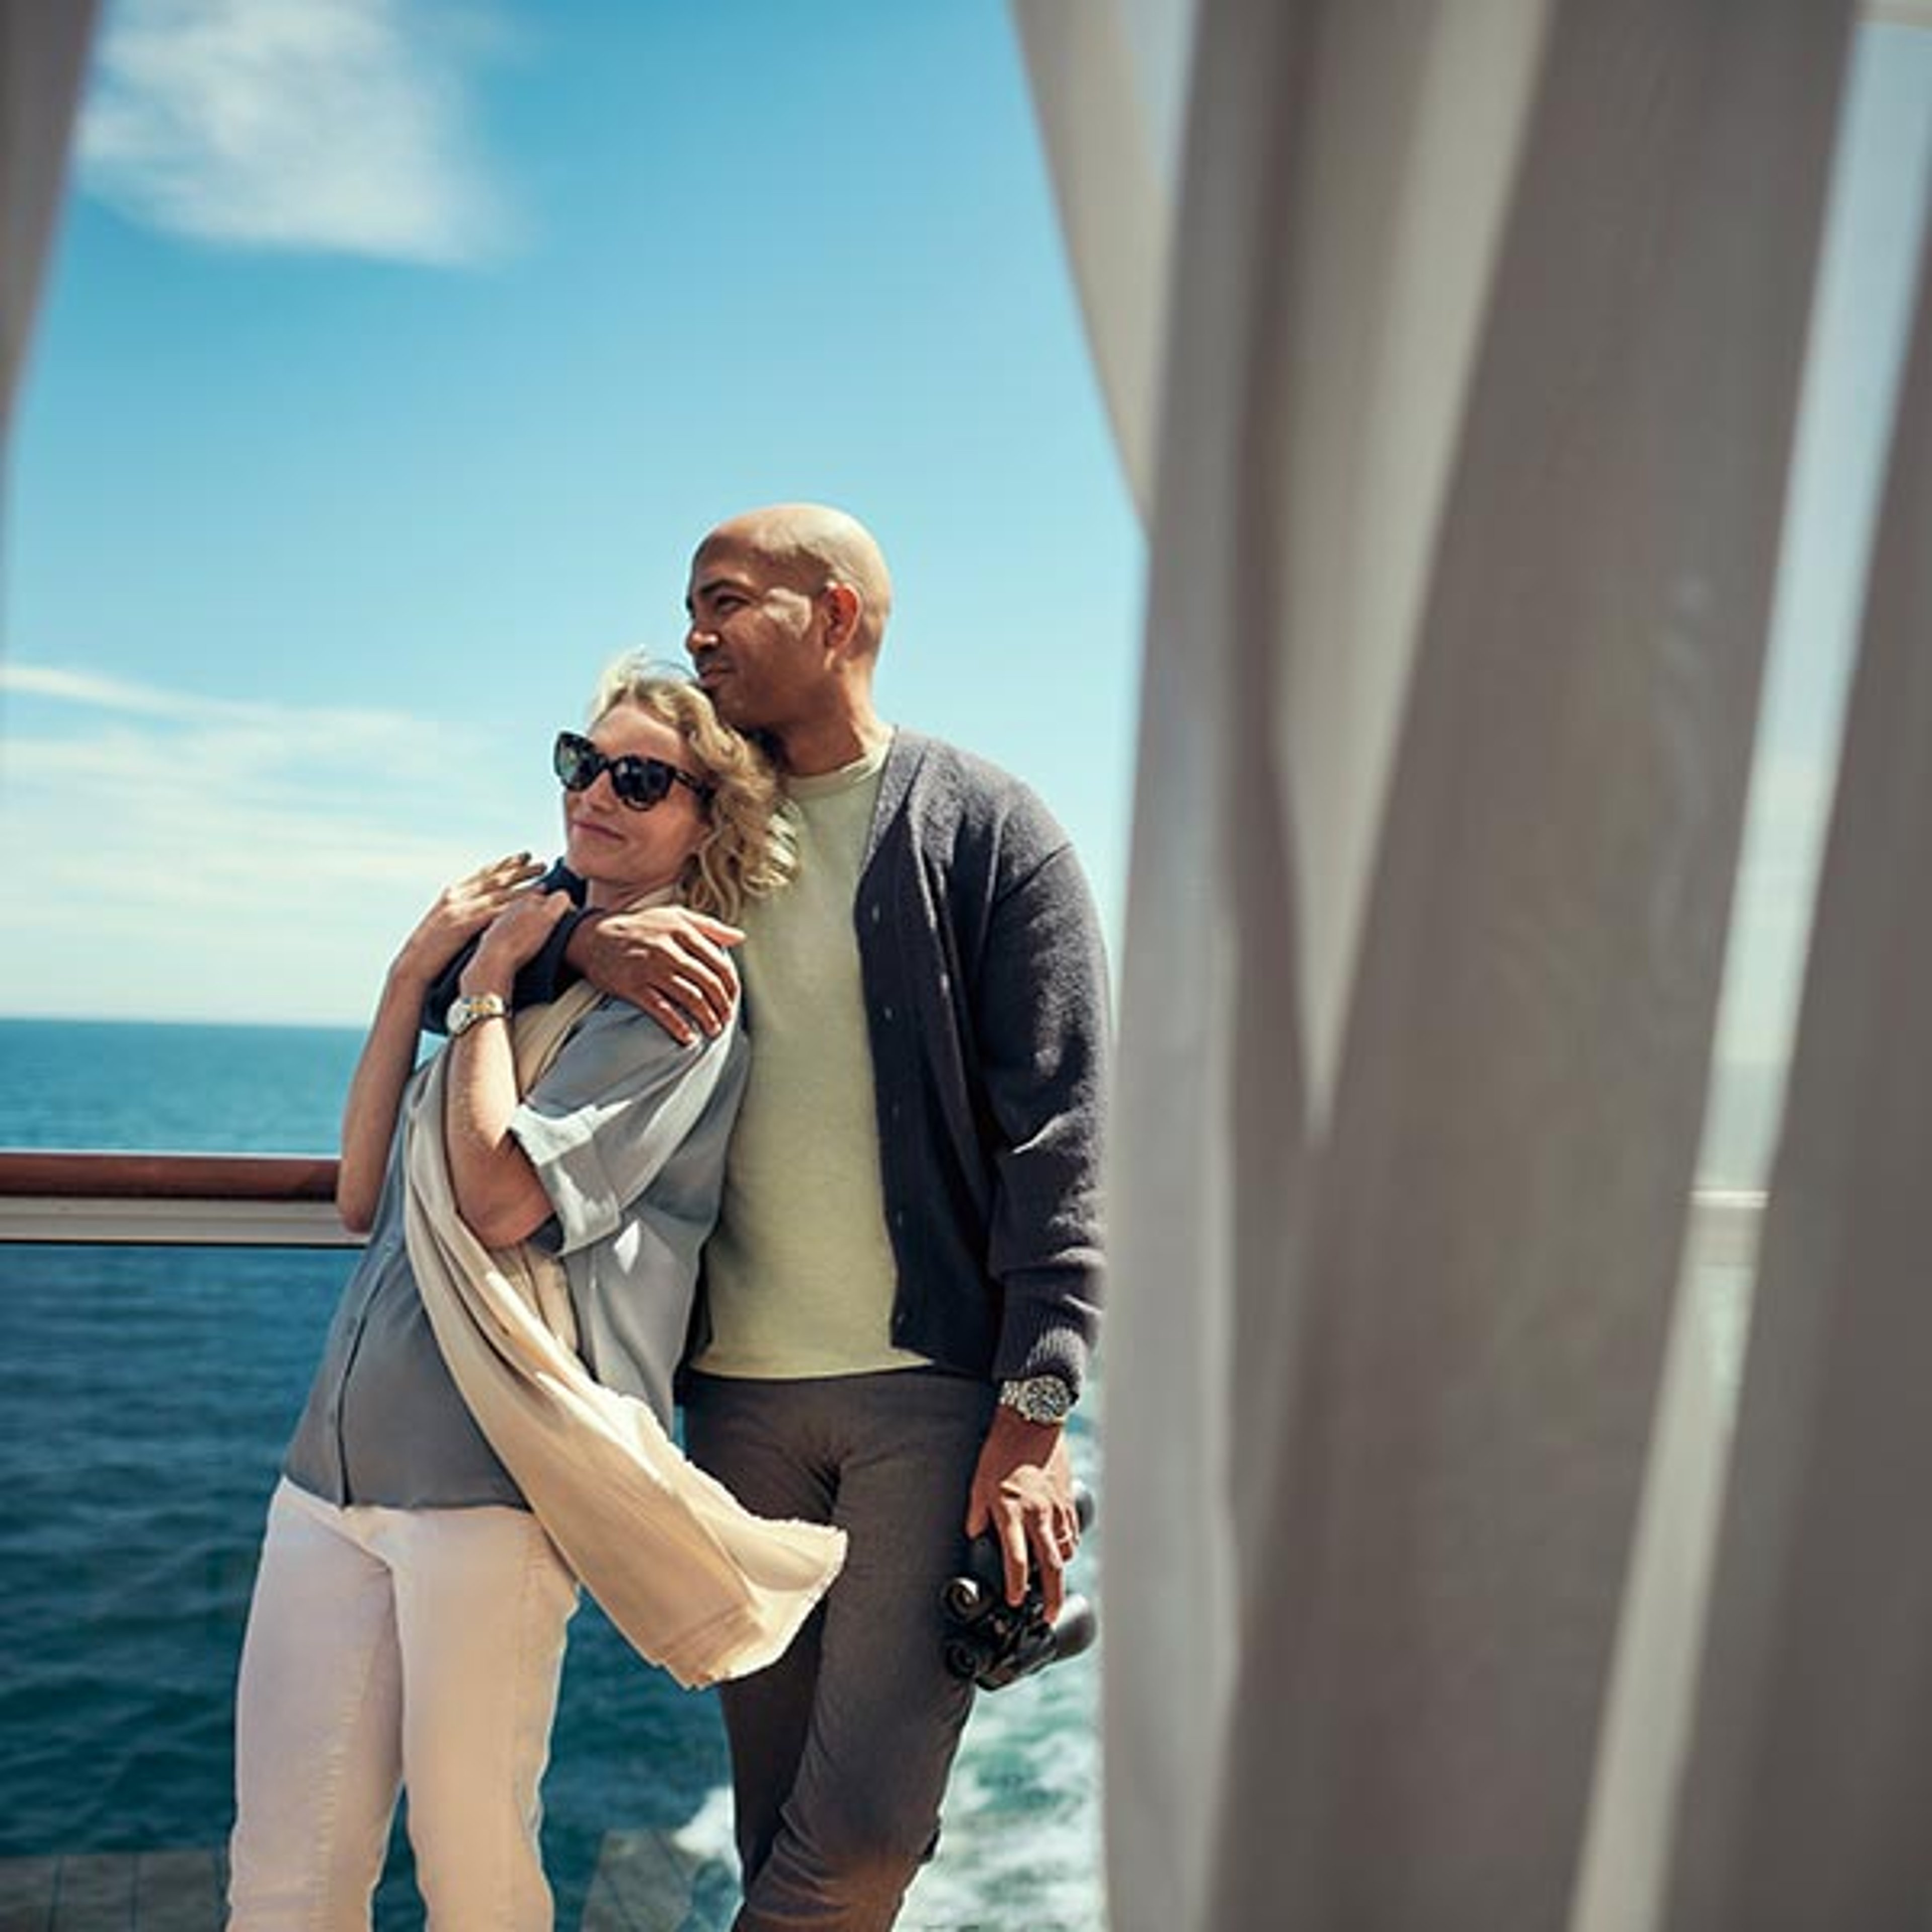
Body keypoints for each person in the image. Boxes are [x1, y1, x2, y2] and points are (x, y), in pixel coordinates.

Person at [487, 504, 1110, 1929]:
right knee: (780, 1829)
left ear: (834, 617)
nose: (695, 633)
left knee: (864, 1838)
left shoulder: (988, 830)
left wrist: (1033, 1416)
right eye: (690, 607)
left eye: (725, 600)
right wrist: (586, 934)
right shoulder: (697, 815)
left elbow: (1066, 1142)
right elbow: (495, 941)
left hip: (931, 1407)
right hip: (736, 1411)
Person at [227, 664, 842, 1931]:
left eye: (641, 779)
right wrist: (415, 971)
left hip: (488, 1488)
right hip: (329, 1472)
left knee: (475, 1877)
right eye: (583, 761)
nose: (596, 795)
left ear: (708, 820)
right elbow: (359, 1193)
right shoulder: (537, 968)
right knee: (281, 1874)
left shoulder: (677, 1004)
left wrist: (489, 984)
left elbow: (501, 1199)